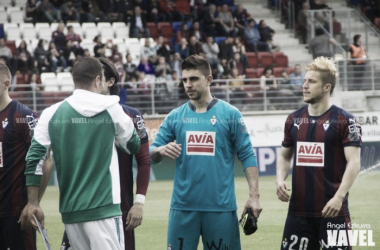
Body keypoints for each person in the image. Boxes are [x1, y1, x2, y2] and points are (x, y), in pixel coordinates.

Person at [20, 58, 141, 250]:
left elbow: (34, 158)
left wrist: (33, 203)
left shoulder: (52, 113)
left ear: (74, 80)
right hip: (105, 211)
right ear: (98, 79)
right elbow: (133, 144)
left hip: (71, 214)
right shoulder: (112, 108)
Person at [150, 55, 262, 249]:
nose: (188, 84)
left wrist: (254, 196)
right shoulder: (175, 116)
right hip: (183, 208)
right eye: (184, 80)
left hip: (221, 209)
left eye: (194, 79)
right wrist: (160, 149)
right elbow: (151, 152)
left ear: (209, 79)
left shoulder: (231, 115)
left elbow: (247, 154)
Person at [60, 58, 150, 250]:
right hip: (79, 208)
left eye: (98, 75)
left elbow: (144, 159)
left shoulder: (131, 116)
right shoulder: (72, 115)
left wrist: (139, 203)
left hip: (118, 209)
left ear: (109, 81)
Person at [276, 57, 361, 250]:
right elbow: (284, 155)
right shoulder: (293, 119)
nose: (304, 85)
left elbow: (354, 163)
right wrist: (280, 179)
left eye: (311, 81)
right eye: (305, 80)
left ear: (326, 87)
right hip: (298, 214)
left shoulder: (345, 120)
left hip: (334, 211)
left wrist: (339, 197)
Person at [0, 63, 52, 250]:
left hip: (17, 213)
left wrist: (34, 203)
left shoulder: (24, 116)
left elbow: (46, 161)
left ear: (6, 84)